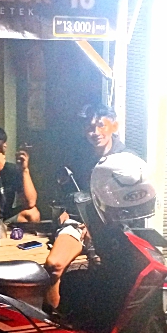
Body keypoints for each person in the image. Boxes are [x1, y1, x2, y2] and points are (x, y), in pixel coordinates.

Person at [43, 104, 126, 310]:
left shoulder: (126, 159)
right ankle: (52, 321)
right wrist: (63, 210)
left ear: (114, 126)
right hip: (79, 221)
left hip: (116, 227)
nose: (95, 132)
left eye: (101, 125)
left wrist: (98, 225)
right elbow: (66, 190)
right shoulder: (78, 157)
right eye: (90, 127)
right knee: (53, 266)